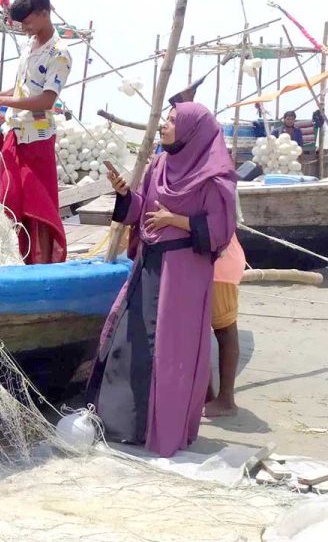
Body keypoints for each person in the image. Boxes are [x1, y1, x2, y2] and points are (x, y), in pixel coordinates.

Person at [87, 102, 238, 457]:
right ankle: (127, 426)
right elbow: (144, 212)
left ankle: (163, 429)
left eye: (171, 122)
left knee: (172, 354)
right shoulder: (159, 165)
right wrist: (126, 195)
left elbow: (220, 229)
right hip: (149, 266)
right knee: (131, 342)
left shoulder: (214, 177)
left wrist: (177, 220)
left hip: (183, 275)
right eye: (166, 120)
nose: (164, 127)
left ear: (191, 131)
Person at [0, 0, 71, 264]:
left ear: (43, 13)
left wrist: (3, 102)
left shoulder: (59, 53)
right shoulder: (30, 46)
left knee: (37, 203)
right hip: (14, 134)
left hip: (36, 139)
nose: (24, 28)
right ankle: (15, 257)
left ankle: (42, 263)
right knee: (11, 200)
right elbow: (21, 90)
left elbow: (46, 101)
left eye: (27, 22)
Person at [204, 233, 245, 417]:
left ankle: (226, 400)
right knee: (196, 332)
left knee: (225, 330)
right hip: (208, 264)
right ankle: (207, 395)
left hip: (219, 267)